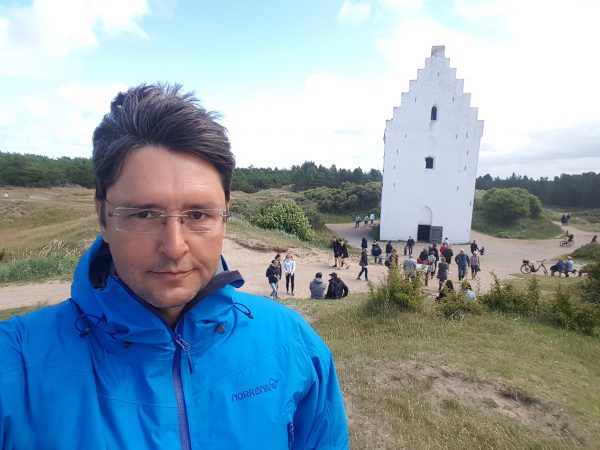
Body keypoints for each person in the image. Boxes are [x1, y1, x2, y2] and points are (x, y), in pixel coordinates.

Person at [0, 84, 348, 448]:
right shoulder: (15, 367)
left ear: (225, 215)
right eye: (144, 214)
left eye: (198, 214)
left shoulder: (293, 347)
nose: (174, 246)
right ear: (102, 216)